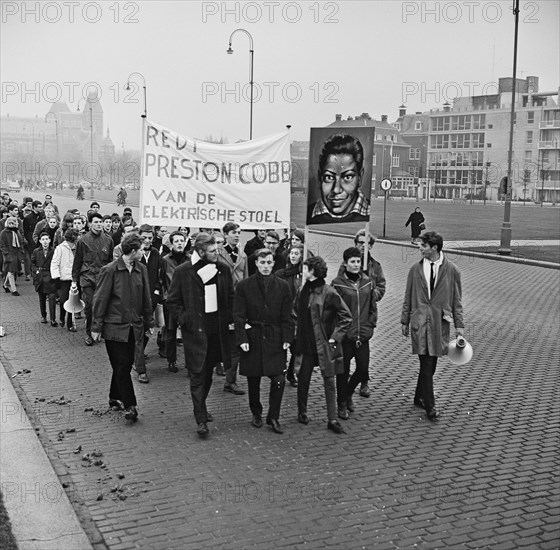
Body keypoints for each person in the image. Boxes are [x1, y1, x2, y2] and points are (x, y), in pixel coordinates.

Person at [167, 234, 234, 438]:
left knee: (208, 372)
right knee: (197, 373)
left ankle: (201, 405)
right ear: (201, 252)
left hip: (217, 331)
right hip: (195, 331)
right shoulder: (183, 271)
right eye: (213, 251)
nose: (218, 254)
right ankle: (201, 419)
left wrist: (230, 320)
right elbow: (172, 301)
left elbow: (230, 297)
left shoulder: (223, 270)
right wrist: (184, 319)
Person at [401, 231, 464, 420]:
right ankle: (430, 406)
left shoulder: (452, 270)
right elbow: (407, 295)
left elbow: (457, 300)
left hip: (439, 323)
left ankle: (418, 397)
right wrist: (404, 320)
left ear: (434, 248)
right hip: (420, 322)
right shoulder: (415, 269)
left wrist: (459, 325)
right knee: (426, 363)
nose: (420, 248)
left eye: (423, 246)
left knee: (431, 365)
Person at [92, 233, 154, 422]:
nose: (144, 252)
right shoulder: (110, 270)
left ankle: (114, 397)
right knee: (122, 366)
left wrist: (149, 321)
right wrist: (96, 326)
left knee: (123, 365)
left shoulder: (141, 269)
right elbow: (100, 299)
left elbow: (146, 296)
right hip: (113, 327)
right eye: (142, 249)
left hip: (133, 326)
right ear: (133, 251)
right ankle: (130, 405)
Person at [234, 248, 294, 434]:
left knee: (279, 379)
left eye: (269, 263)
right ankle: (256, 412)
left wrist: (287, 337)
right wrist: (242, 338)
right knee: (254, 379)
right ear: (256, 264)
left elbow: (287, 316)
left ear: (273, 263)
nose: (266, 266)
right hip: (253, 338)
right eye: (262, 263)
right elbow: (238, 315)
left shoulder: (283, 286)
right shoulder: (244, 286)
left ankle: (273, 416)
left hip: (275, 337)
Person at [293, 256, 352, 434]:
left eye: (305, 269)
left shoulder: (329, 292)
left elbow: (346, 316)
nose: (302, 271)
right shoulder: (303, 290)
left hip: (324, 343)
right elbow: (295, 311)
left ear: (312, 271)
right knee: (303, 378)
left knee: (329, 380)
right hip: (306, 343)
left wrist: (335, 337)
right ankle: (301, 411)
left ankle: (332, 418)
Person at [337, 230, 386, 399]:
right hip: (349, 319)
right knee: (346, 358)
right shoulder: (345, 265)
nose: (362, 246)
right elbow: (340, 289)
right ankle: (345, 396)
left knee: (363, 360)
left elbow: (381, 286)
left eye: (366, 243)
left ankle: (363, 383)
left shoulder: (375, 266)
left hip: (365, 315)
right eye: (359, 243)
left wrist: (371, 294)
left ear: (371, 246)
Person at [332, 247, 377, 419]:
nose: (356, 265)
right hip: (345, 335)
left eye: (358, 261)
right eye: (352, 262)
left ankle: (348, 394)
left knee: (363, 369)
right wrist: (337, 332)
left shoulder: (367, 281)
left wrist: (370, 325)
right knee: (342, 372)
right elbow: (332, 310)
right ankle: (341, 404)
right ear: (345, 263)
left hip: (362, 334)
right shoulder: (337, 283)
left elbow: (373, 306)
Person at [71, 212, 114, 346]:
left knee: (102, 306)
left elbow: (111, 261)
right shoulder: (82, 240)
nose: (98, 224)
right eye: (95, 222)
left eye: (100, 222)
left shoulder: (108, 240)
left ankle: (99, 330)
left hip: (103, 278)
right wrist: (74, 281)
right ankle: (89, 333)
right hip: (87, 277)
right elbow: (77, 261)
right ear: (89, 224)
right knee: (89, 306)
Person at [308, 134, 369, 224]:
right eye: (329, 177)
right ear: (319, 178)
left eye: (348, 177)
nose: (336, 190)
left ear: (360, 178)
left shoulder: (371, 213)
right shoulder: (309, 214)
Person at [217, 222, 248, 396]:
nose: (237, 235)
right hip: (222, 302)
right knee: (220, 341)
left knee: (235, 343)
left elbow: (246, 277)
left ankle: (230, 381)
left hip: (238, 302)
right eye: (233, 233)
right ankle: (217, 364)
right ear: (225, 234)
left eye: (239, 233)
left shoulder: (243, 255)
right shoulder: (219, 253)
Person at [134, 224, 164, 383]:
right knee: (138, 332)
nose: (147, 241)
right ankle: (140, 369)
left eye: (150, 238)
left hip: (151, 299)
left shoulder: (155, 254)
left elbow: (160, 275)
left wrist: (157, 292)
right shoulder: (134, 255)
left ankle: (136, 355)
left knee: (148, 330)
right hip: (136, 300)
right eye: (144, 238)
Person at [276, 242, 304, 387]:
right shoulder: (282, 274)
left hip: (298, 315)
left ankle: (292, 373)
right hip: (284, 314)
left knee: (296, 346)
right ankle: (281, 371)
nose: (293, 256)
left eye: (296, 254)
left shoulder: (303, 275)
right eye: (292, 253)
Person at [160, 231, 188, 372]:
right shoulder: (165, 260)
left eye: (181, 241)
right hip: (171, 300)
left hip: (187, 301)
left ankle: (189, 363)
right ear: (172, 243)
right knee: (170, 332)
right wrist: (166, 297)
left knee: (188, 332)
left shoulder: (190, 259)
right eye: (176, 241)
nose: (179, 243)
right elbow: (162, 280)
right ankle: (171, 361)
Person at [51, 228, 80, 331]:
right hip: (63, 279)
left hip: (74, 279)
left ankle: (70, 324)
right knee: (64, 301)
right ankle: (62, 317)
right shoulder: (60, 248)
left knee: (72, 302)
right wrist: (56, 278)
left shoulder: (78, 247)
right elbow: (54, 263)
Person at [31, 232, 58, 326]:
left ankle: (53, 319)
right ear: (40, 241)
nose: (45, 242)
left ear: (50, 240)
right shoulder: (36, 251)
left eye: (47, 239)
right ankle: (43, 316)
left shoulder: (54, 251)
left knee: (52, 298)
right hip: (40, 277)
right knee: (42, 298)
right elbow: (33, 263)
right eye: (43, 239)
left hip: (51, 276)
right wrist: (36, 272)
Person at [1, 216, 24, 296]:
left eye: (13, 223)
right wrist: (6, 253)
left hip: (16, 253)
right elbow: (2, 244)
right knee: (11, 271)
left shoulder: (16, 232)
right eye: (10, 223)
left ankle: (5, 285)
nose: (12, 225)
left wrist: (21, 251)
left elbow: (20, 242)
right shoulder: (4, 232)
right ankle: (14, 289)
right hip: (9, 254)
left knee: (14, 270)